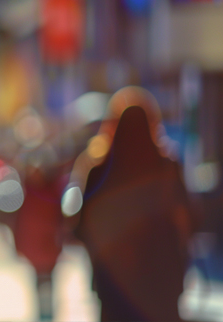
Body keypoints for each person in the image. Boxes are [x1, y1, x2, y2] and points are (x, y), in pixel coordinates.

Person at [73, 86, 192, 322]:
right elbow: (185, 221)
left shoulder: (99, 171)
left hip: (114, 281)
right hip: (161, 277)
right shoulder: (167, 169)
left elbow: (82, 226)